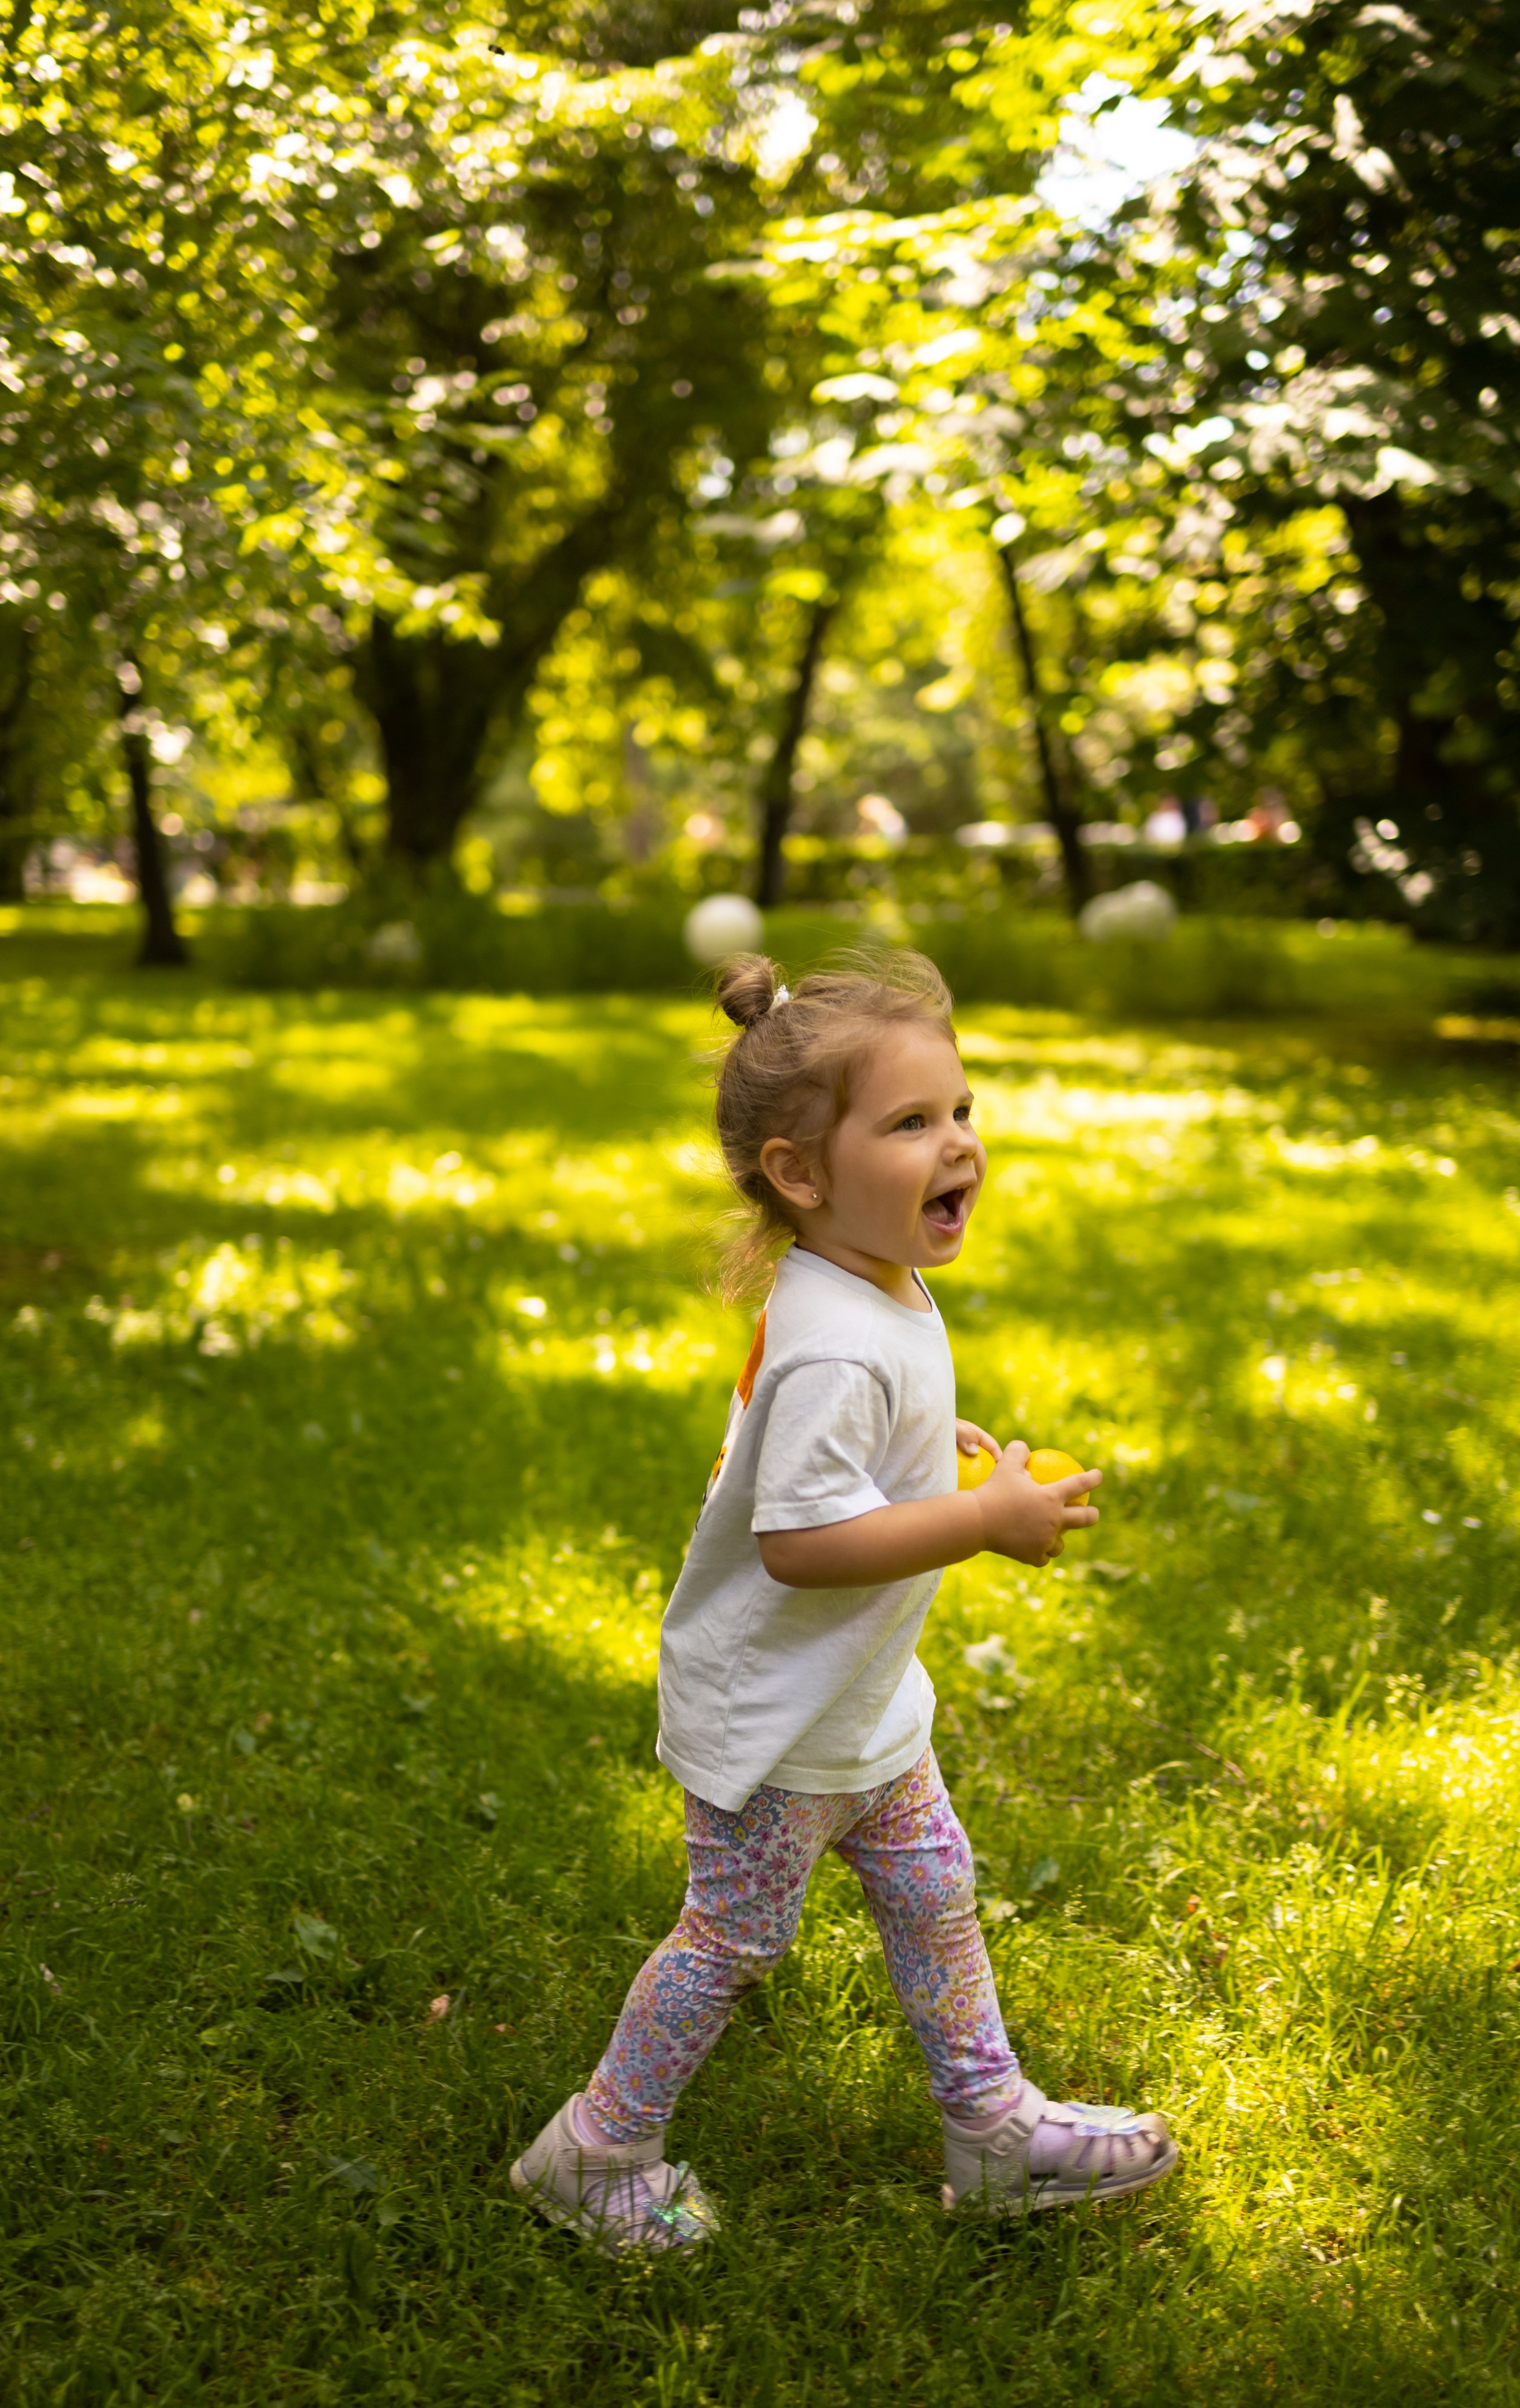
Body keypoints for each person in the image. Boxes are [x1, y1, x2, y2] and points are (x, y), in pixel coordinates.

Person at [509, 951, 1177, 2253]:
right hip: (779, 1726)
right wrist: (981, 1521)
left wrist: (933, 1453)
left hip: (857, 1709)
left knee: (934, 1891)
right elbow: (802, 1541)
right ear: (798, 1175)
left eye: (962, 1110)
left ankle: (988, 2125)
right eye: (912, 1123)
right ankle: (592, 2149)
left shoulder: (868, 1282)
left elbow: (846, 1453)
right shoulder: (830, 1332)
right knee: (730, 1942)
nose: (960, 1145)